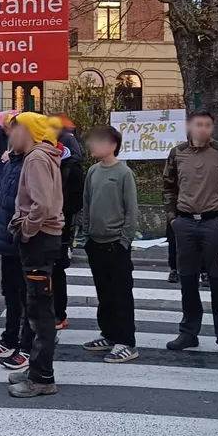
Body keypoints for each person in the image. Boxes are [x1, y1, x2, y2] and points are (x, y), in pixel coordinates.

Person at [163, 110, 218, 360]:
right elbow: (168, 186)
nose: (203, 129)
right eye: (199, 124)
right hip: (185, 224)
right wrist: (173, 219)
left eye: (208, 124)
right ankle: (189, 332)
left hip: (213, 224)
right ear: (190, 126)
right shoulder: (177, 153)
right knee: (187, 280)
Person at [5, 112, 64, 398]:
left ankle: (42, 378)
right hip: (42, 238)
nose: (10, 136)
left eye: (14, 131)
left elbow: (41, 205)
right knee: (37, 307)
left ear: (27, 131)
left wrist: (26, 231)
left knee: (40, 312)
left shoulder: (37, 158)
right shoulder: (41, 156)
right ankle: (36, 370)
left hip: (39, 239)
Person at [80, 126, 140, 362]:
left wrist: (124, 240)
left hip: (116, 243)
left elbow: (131, 210)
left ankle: (127, 342)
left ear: (112, 145)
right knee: (104, 292)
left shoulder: (124, 173)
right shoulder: (93, 171)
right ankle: (109, 334)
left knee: (121, 294)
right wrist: (86, 234)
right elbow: (86, 202)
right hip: (95, 242)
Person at [0, 140, 32, 370]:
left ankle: (29, 347)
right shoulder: (12, 162)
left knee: (29, 297)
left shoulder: (34, 163)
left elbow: (39, 205)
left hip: (24, 240)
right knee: (10, 293)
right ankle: (10, 339)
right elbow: (2, 200)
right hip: (7, 239)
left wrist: (26, 231)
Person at [49, 118, 85, 329]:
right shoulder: (40, 160)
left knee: (57, 268)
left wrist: (60, 211)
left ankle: (59, 313)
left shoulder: (71, 167)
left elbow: (77, 200)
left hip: (61, 224)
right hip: (44, 224)